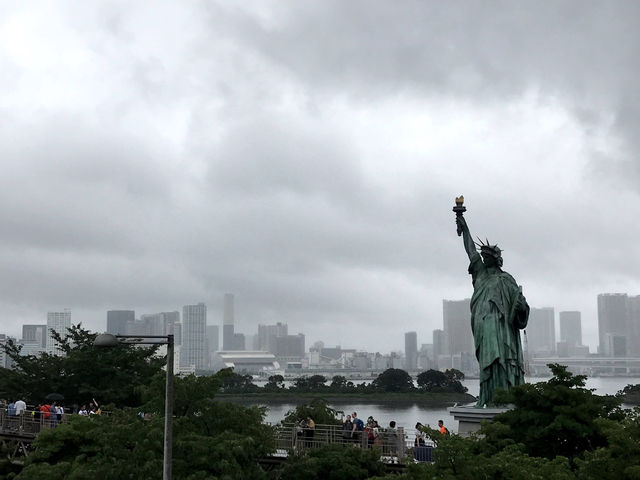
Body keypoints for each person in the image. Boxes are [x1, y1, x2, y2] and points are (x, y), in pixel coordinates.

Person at [456, 214, 530, 407]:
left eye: (488, 257)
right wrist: (464, 226)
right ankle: (487, 396)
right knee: (488, 360)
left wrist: (522, 307)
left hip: (502, 327)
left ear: (497, 259)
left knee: (502, 360)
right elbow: (471, 250)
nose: (484, 259)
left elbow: (520, 306)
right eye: (484, 257)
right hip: (483, 324)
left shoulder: (507, 279)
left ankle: (505, 397)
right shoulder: (480, 274)